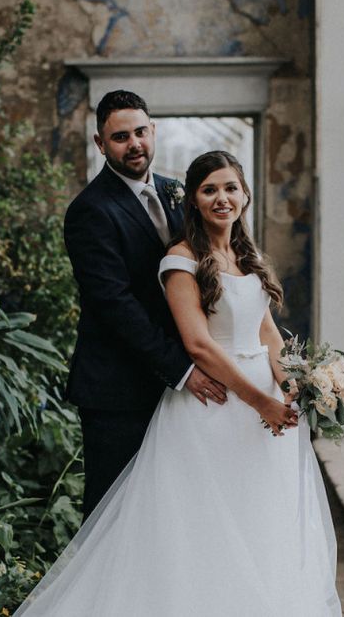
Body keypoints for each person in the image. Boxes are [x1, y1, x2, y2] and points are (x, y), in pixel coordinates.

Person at [15, 151, 341, 616]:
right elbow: (199, 345)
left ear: (245, 194)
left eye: (230, 188)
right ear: (192, 200)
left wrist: (290, 386)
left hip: (264, 409)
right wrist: (259, 403)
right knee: (205, 523)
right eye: (210, 190)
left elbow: (268, 333)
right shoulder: (181, 259)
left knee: (259, 516)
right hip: (215, 406)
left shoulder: (247, 257)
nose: (222, 198)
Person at [63, 90, 225, 518]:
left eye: (140, 132)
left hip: (180, 382)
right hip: (119, 389)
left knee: (173, 507)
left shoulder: (179, 192)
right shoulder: (90, 211)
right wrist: (183, 369)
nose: (134, 143)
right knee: (114, 511)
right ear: (101, 144)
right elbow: (115, 305)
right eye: (120, 137)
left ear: (153, 131)